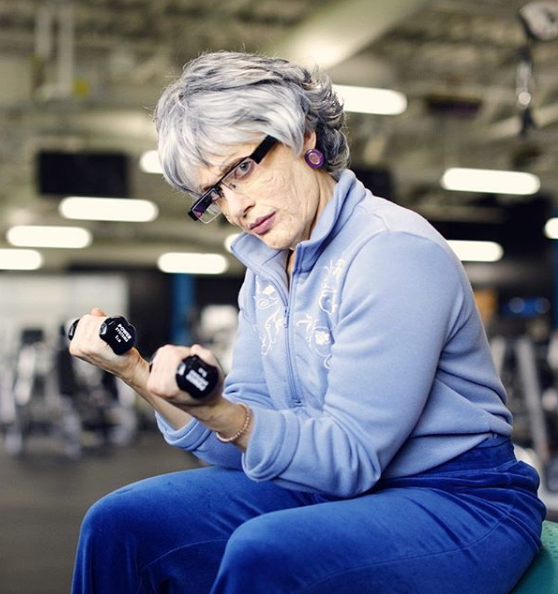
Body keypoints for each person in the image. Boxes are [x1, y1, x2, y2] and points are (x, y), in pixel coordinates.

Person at [69, 51, 546, 594]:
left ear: (304, 139)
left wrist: (225, 412)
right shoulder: (268, 268)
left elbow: (348, 457)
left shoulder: (391, 251)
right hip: (331, 484)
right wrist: (136, 372)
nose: (236, 206)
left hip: (459, 500)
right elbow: (237, 445)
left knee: (268, 554)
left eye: (242, 169)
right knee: (121, 524)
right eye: (215, 193)